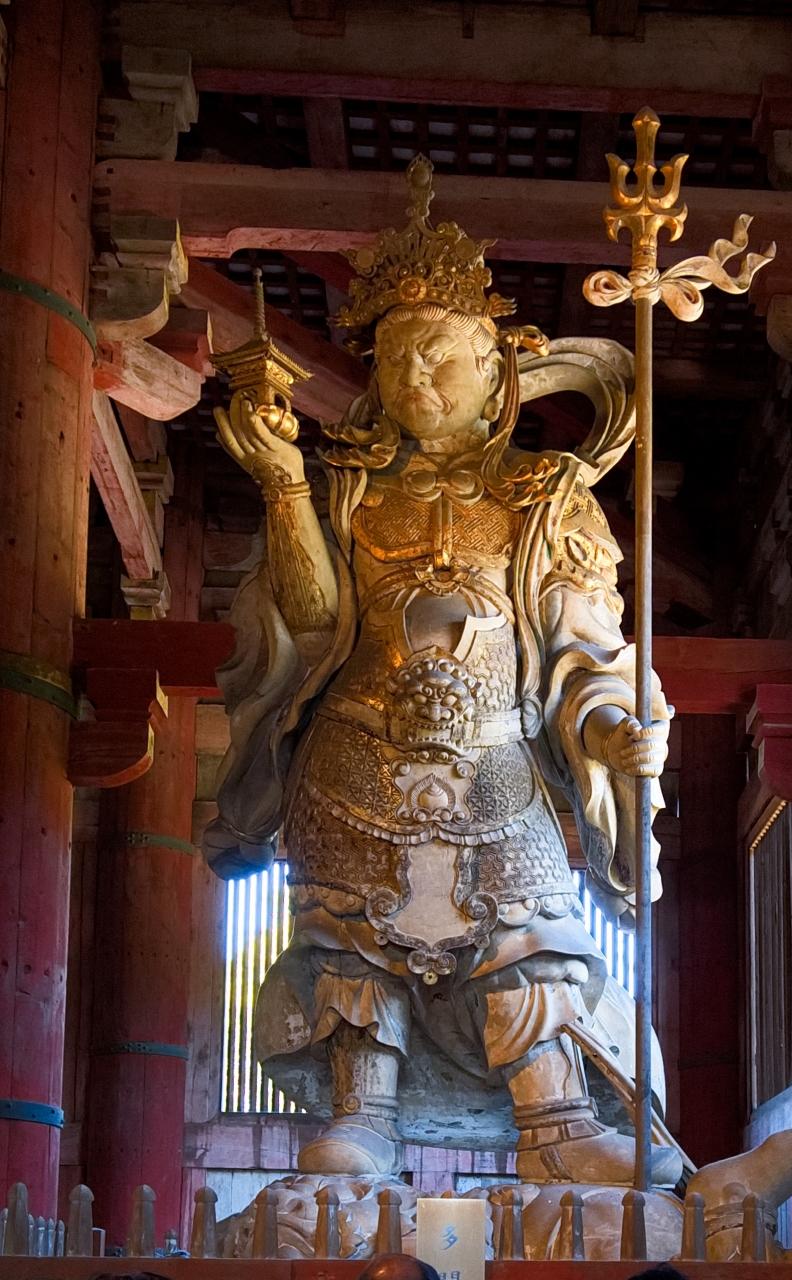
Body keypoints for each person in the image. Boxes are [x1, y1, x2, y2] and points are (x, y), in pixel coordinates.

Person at [204, 156, 679, 1188]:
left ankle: (557, 1117)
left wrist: (612, 725)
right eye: (395, 359)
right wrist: (283, 485)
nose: (416, 379)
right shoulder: (343, 490)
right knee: (353, 935)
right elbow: (314, 623)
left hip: (496, 758)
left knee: (529, 930)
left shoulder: (544, 497)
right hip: (355, 753)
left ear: (494, 368)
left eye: (439, 356)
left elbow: (584, 641)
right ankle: (360, 1115)